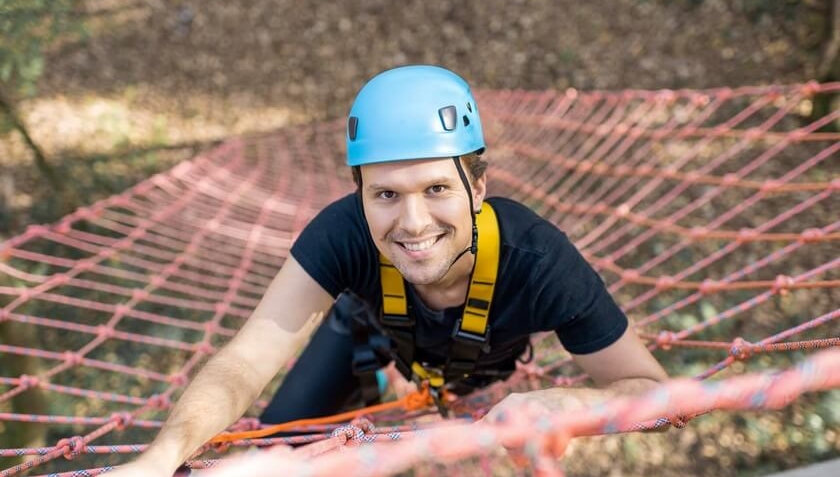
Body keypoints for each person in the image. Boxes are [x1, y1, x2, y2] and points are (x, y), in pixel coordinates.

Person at [111, 65, 667, 476]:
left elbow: (657, 398)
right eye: (385, 194)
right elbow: (244, 362)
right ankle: (374, 378)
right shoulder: (342, 233)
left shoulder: (539, 262)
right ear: (359, 196)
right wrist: (159, 458)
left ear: (478, 187)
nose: (413, 222)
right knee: (273, 448)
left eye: (436, 189)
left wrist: (565, 402)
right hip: (364, 334)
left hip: (481, 375)